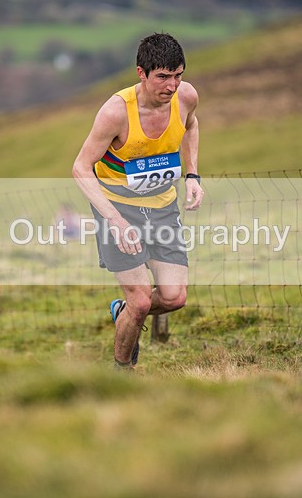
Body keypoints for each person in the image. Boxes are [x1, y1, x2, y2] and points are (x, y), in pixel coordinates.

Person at [72, 33, 203, 370]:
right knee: (141, 301)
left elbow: (191, 126)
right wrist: (115, 221)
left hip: (162, 208)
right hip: (117, 209)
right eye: (163, 77)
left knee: (174, 297)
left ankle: (124, 312)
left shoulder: (186, 97)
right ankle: (122, 371)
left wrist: (192, 175)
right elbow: (81, 168)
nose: (172, 86)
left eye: (178, 75)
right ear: (141, 73)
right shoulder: (116, 112)